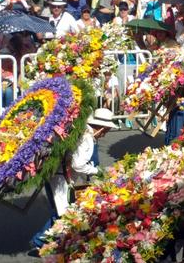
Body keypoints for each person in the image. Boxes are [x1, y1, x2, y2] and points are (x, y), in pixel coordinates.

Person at [30, 108, 118, 254]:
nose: (104, 135)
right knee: (63, 213)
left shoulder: (81, 130)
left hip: (56, 174)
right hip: (59, 177)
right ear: (102, 128)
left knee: (63, 211)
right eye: (106, 131)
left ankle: (53, 242)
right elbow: (78, 164)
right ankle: (40, 242)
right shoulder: (87, 137)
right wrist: (96, 171)